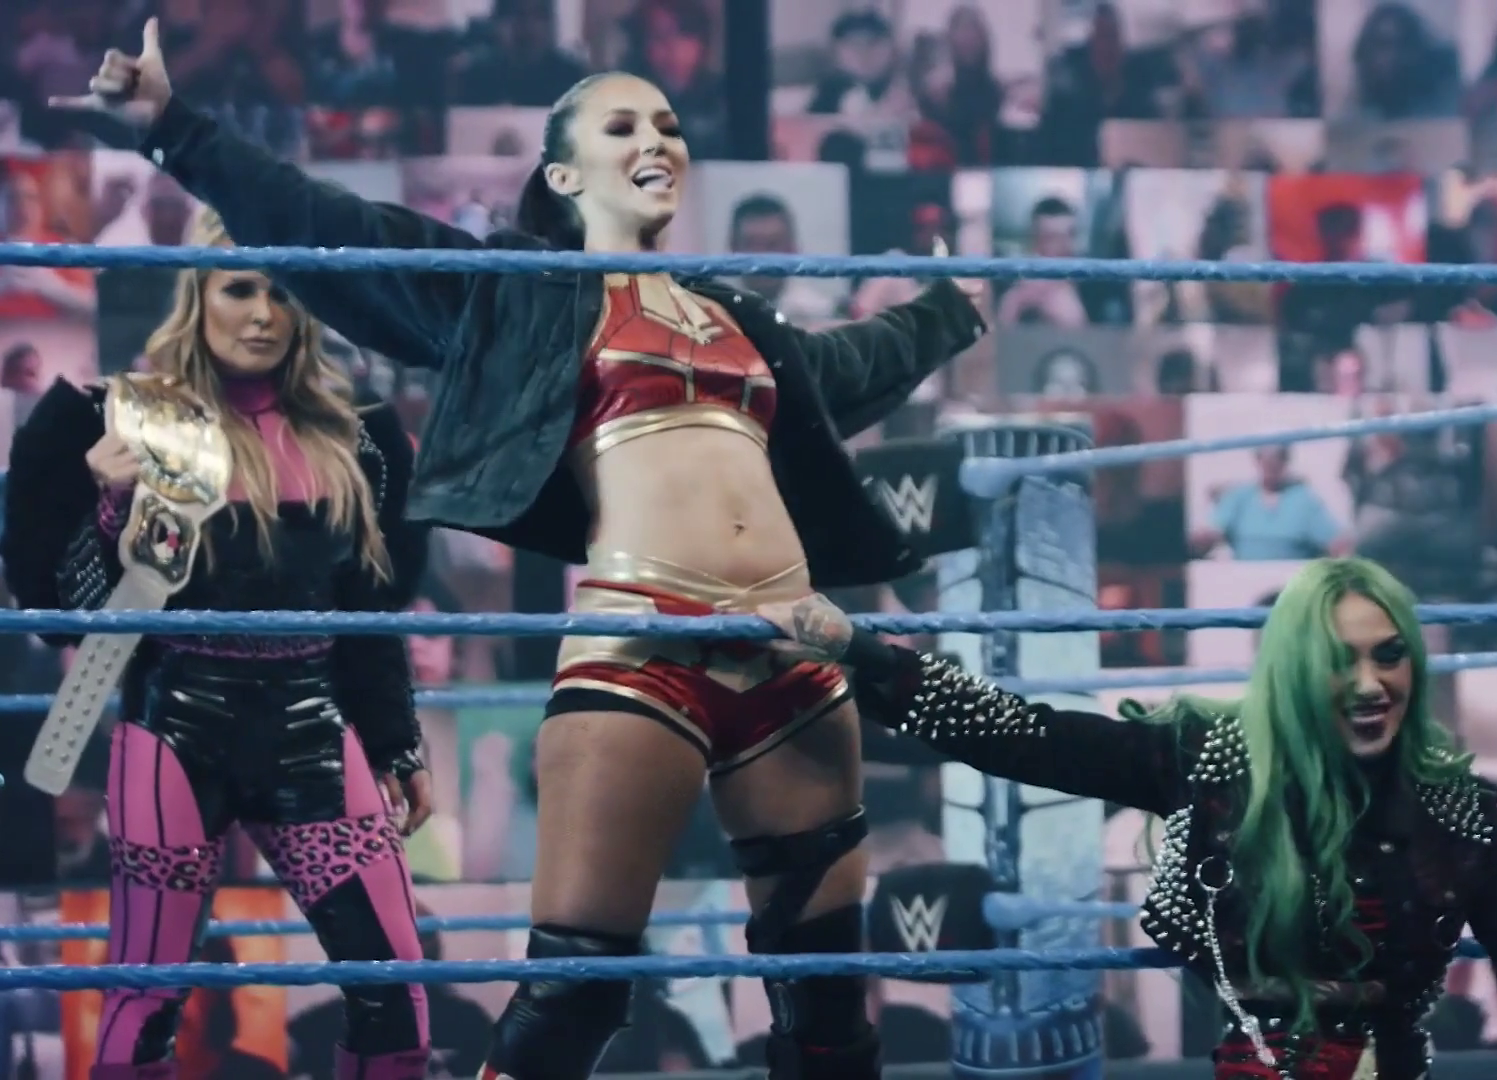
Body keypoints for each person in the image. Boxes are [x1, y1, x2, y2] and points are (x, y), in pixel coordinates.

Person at [54, 21, 988, 1080]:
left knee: (828, 1005)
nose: (657, 139)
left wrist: (948, 311)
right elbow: (337, 231)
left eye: (668, 124)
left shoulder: (732, 314)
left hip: (791, 651)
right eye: (623, 125)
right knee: (572, 994)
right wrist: (173, 128)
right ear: (564, 172)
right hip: (644, 645)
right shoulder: (520, 290)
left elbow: (842, 372)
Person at [755, 558, 1497, 1080]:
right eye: (1338, 660)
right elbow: (1027, 738)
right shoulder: (1216, 762)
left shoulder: (1455, 810)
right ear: (1293, 670)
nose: (1370, 683)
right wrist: (861, 654)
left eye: (1389, 655)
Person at [1, 206, 433, 1080]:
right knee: (145, 1003)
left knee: (396, 993)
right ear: (198, 293)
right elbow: (63, 619)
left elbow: (369, 610)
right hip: (175, 727)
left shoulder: (354, 436)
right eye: (240, 288)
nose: (263, 314)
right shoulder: (112, 418)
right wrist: (108, 505)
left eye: (283, 290)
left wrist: (396, 743)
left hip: (313, 727)